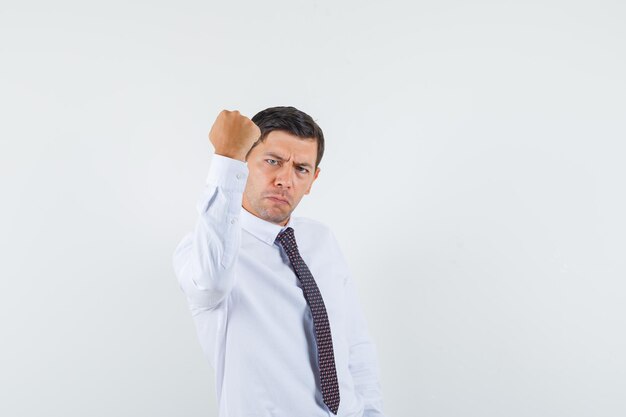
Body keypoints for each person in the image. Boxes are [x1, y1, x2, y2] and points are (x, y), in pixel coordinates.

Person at [172, 106, 385, 417]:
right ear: (245, 163)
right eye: (272, 161)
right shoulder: (205, 253)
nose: (285, 179)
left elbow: (353, 345)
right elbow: (210, 284)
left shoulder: (321, 240)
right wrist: (226, 158)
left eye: (301, 169)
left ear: (313, 179)